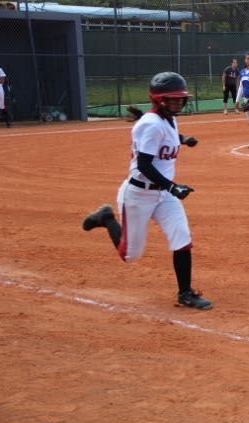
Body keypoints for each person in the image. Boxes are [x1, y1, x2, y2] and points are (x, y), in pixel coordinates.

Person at [82, 71, 212, 310]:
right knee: (130, 255)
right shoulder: (150, 125)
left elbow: (168, 135)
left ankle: (185, 294)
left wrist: (183, 139)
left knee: (182, 238)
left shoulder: (168, 118)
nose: (177, 102)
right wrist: (173, 186)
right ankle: (107, 218)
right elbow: (144, 164)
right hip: (139, 194)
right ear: (157, 99)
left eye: (179, 98)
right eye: (171, 98)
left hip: (163, 194)